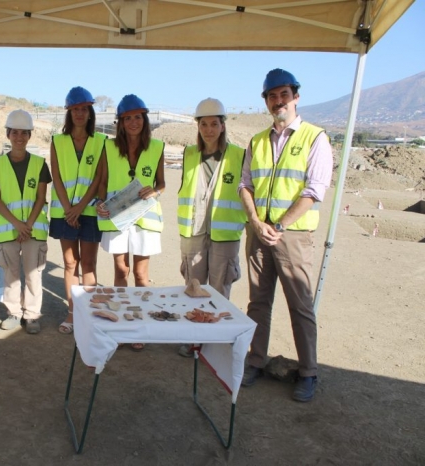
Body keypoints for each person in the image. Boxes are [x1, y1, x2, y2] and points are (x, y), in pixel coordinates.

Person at [238, 69, 333, 402]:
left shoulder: (315, 138)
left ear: (296, 96)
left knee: (300, 305)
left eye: (284, 94)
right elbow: (245, 184)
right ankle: (255, 360)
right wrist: (254, 221)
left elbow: (314, 190)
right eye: (272, 96)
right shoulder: (258, 141)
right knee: (258, 303)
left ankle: (308, 372)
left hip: (291, 236)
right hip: (259, 233)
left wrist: (279, 225)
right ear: (266, 101)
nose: (278, 101)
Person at [177, 98, 247, 357]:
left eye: (214, 124)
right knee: (193, 287)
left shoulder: (239, 156)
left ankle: (215, 341)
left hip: (225, 235)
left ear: (222, 125)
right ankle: (194, 341)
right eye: (204, 124)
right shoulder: (189, 154)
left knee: (219, 290)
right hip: (193, 232)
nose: (208, 129)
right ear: (198, 126)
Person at [97, 94, 165, 351]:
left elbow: (162, 183)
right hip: (117, 219)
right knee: (121, 272)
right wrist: (99, 201)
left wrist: (155, 192)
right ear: (121, 122)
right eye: (128, 118)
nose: (134, 122)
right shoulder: (109, 147)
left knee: (141, 274)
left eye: (138, 117)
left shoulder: (157, 147)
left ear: (144, 120)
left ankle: (141, 325)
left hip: (145, 220)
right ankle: (122, 324)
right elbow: (102, 182)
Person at [0, 109, 52, 335]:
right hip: (9, 230)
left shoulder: (40, 164)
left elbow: (41, 198)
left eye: (24, 133)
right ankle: (14, 313)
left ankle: (32, 315)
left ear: (30, 136)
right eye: (15, 132)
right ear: (8, 134)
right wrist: (17, 224)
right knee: (12, 274)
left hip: (32, 230)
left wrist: (28, 225)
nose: (19, 137)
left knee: (34, 275)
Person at [50, 86, 107, 335]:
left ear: (90, 112)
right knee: (70, 262)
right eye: (75, 109)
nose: (80, 114)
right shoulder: (57, 141)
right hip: (65, 211)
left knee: (89, 264)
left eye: (84, 109)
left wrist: (80, 208)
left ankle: (90, 313)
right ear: (69, 113)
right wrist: (68, 209)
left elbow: (98, 178)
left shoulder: (102, 141)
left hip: (89, 211)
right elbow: (57, 177)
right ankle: (72, 312)